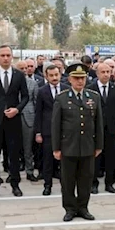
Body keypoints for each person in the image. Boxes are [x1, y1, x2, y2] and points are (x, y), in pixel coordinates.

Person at [52, 67, 103, 222]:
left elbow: (98, 123)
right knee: (67, 181)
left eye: (82, 78)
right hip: (68, 146)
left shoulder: (94, 97)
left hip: (87, 146)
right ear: (70, 80)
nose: (80, 81)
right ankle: (70, 208)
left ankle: (83, 207)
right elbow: (56, 125)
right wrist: (56, 148)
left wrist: (99, 145)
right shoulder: (61, 98)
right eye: (76, 78)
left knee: (86, 179)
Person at [0, 45, 29, 198]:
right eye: (3, 55)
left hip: (13, 120)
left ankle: (15, 184)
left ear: (12, 56)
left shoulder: (19, 75)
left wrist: (17, 109)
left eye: (8, 55)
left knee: (14, 154)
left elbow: (26, 97)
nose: (6, 58)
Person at [88, 61, 115, 194]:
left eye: (108, 72)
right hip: (95, 128)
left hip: (111, 128)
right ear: (97, 73)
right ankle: (94, 183)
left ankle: (109, 183)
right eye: (103, 72)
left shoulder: (114, 88)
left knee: (110, 157)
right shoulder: (91, 88)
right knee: (96, 157)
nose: (106, 74)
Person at [34, 64, 68, 196]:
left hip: (65, 130)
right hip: (47, 131)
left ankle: (65, 185)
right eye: (51, 75)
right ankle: (47, 185)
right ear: (46, 76)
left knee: (64, 160)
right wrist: (38, 132)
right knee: (47, 160)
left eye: (56, 75)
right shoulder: (42, 91)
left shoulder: (66, 89)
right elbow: (38, 113)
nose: (54, 78)